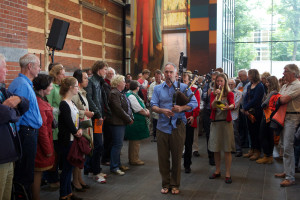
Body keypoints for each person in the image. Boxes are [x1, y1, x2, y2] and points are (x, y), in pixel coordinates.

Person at [150, 63, 197, 195]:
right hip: (162, 127)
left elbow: (194, 103)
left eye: (171, 72)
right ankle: (165, 184)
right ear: (163, 73)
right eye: (166, 72)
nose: (168, 74)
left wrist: (181, 108)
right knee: (163, 158)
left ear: (176, 74)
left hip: (178, 127)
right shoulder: (158, 88)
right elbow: (153, 105)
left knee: (176, 157)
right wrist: (162, 110)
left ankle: (175, 184)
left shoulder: (183, 87)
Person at [8, 53, 43, 199]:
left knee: (26, 172)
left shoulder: (24, 83)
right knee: (25, 174)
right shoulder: (22, 85)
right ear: (30, 66)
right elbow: (17, 116)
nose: (40, 69)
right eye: (39, 66)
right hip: (25, 133)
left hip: (27, 132)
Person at [0, 54, 29, 200]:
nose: (7, 70)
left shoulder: (3, 91)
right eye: (4, 66)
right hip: (1, 155)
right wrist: (12, 111)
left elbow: (25, 104)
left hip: (10, 154)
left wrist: (18, 99)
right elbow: (6, 115)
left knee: (7, 194)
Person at [275, 64, 300, 187]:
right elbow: (278, 98)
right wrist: (277, 98)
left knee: (288, 147)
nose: (283, 73)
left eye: (285, 71)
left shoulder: (298, 85)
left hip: (292, 117)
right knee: (284, 146)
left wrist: (277, 98)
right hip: (283, 117)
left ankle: (290, 177)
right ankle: (287, 171)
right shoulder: (285, 85)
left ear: (293, 73)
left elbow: (282, 100)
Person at [58, 77, 83, 200]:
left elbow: (76, 119)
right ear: (70, 88)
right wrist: (76, 131)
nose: (78, 88)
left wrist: (80, 129)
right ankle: (63, 194)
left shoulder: (71, 102)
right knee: (67, 168)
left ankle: (69, 193)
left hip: (73, 138)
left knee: (70, 167)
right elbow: (67, 122)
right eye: (76, 86)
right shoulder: (63, 103)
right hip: (67, 139)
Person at [85, 61, 110, 183]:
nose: (106, 71)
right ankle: (95, 172)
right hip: (95, 117)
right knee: (97, 145)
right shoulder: (91, 81)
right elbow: (90, 99)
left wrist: (104, 113)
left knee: (98, 144)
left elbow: (101, 100)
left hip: (99, 117)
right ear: (98, 70)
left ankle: (93, 170)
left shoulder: (99, 82)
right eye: (105, 69)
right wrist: (99, 114)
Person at [208, 73, 235, 184]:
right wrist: (215, 97)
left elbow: (233, 104)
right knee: (216, 148)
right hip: (216, 124)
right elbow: (212, 106)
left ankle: (227, 173)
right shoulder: (213, 94)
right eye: (217, 81)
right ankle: (217, 170)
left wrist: (228, 107)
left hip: (226, 124)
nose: (219, 83)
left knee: (227, 149)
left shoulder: (229, 93)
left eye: (221, 81)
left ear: (225, 82)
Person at [32, 74, 55, 200]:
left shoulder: (42, 100)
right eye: (50, 85)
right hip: (41, 145)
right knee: (37, 174)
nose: (51, 88)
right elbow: (43, 130)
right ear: (43, 87)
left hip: (43, 142)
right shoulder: (40, 104)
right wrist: (48, 150)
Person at [105, 75, 134, 175]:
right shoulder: (114, 93)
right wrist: (128, 118)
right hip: (116, 123)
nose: (125, 83)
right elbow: (118, 109)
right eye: (123, 81)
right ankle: (114, 167)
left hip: (120, 122)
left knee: (118, 144)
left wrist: (129, 117)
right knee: (117, 145)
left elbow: (126, 107)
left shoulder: (119, 93)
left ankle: (118, 164)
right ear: (118, 83)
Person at [72, 70, 94, 191]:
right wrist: (84, 112)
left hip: (84, 126)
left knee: (83, 154)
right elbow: (71, 108)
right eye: (85, 78)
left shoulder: (82, 93)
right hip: (79, 126)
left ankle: (79, 178)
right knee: (79, 155)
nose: (87, 80)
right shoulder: (75, 94)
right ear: (79, 80)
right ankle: (75, 181)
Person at [46, 63, 66, 188]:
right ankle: (52, 180)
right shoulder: (52, 87)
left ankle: (56, 176)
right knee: (55, 154)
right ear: (57, 75)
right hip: (54, 125)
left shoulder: (60, 87)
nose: (64, 76)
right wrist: (61, 110)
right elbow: (48, 106)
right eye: (62, 74)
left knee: (60, 153)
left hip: (62, 124)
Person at [125, 80, 150, 165]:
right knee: (135, 142)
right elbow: (138, 109)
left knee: (134, 142)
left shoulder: (131, 94)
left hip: (135, 121)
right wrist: (146, 113)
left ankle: (133, 158)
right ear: (137, 87)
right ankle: (134, 159)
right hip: (135, 122)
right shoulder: (131, 96)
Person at [256, 76, 280, 164]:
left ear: (271, 83)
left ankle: (267, 155)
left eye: (267, 82)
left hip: (267, 116)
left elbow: (264, 104)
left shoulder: (272, 92)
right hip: (271, 116)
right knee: (269, 136)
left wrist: (262, 102)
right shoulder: (275, 92)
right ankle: (269, 156)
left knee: (263, 135)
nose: (266, 84)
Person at [242, 69, 265, 161]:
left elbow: (256, 100)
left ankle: (258, 151)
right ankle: (252, 149)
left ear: (253, 75)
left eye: (249, 74)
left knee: (256, 132)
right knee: (250, 131)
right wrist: (246, 109)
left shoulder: (260, 86)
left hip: (256, 111)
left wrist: (245, 108)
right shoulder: (250, 85)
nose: (248, 76)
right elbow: (246, 97)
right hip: (249, 111)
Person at [182, 72, 200, 173]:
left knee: (188, 143)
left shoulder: (194, 90)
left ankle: (187, 164)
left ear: (189, 81)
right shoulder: (178, 89)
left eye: (185, 81)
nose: (183, 83)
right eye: (182, 81)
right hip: (178, 119)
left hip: (189, 118)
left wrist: (194, 115)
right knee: (176, 144)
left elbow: (196, 104)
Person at [202, 71, 219, 165]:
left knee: (217, 135)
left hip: (217, 112)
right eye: (213, 79)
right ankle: (211, 156)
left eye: (216, 79)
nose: (214, 81)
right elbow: (203, 97)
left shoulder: (221, 87)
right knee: (209, 134)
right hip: (208, 111)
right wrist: (208, 93)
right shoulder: (207, 85)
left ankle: (217, 155)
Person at [236, 69, 251, 148]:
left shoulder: (249, 84)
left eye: (241, 76)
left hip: (246, 107)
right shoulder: (240, 84)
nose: (239, 78)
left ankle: (247, 143)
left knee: (246, 126)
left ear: (245, 76)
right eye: (239, 76)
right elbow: (237, 92)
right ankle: (242, 141)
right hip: (240, 107)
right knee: (241, 125)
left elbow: (244, 94)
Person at [148, 69, 163, 142]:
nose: (157, 79)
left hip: (163, 105)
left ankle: (162, 135)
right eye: (156, 77)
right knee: (154, 120)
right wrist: (156, 100)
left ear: (161, 76)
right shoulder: (152, 85)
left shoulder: (164, 84)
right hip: (155, 105)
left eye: (159, 77)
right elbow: (149, 96)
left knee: (162, 120)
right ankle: (155, 136)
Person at [228, 79, 243, 157]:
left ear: (235, 85)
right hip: (225, 115)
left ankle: (238, 149)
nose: (230, 86)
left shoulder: (239, 93)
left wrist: (226, 107)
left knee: (235, 133)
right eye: (229, 84)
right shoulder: (225, 93)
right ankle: (231, 148)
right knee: (227, 134)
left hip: (234, 115)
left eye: (232, 84)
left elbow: (235, 105)